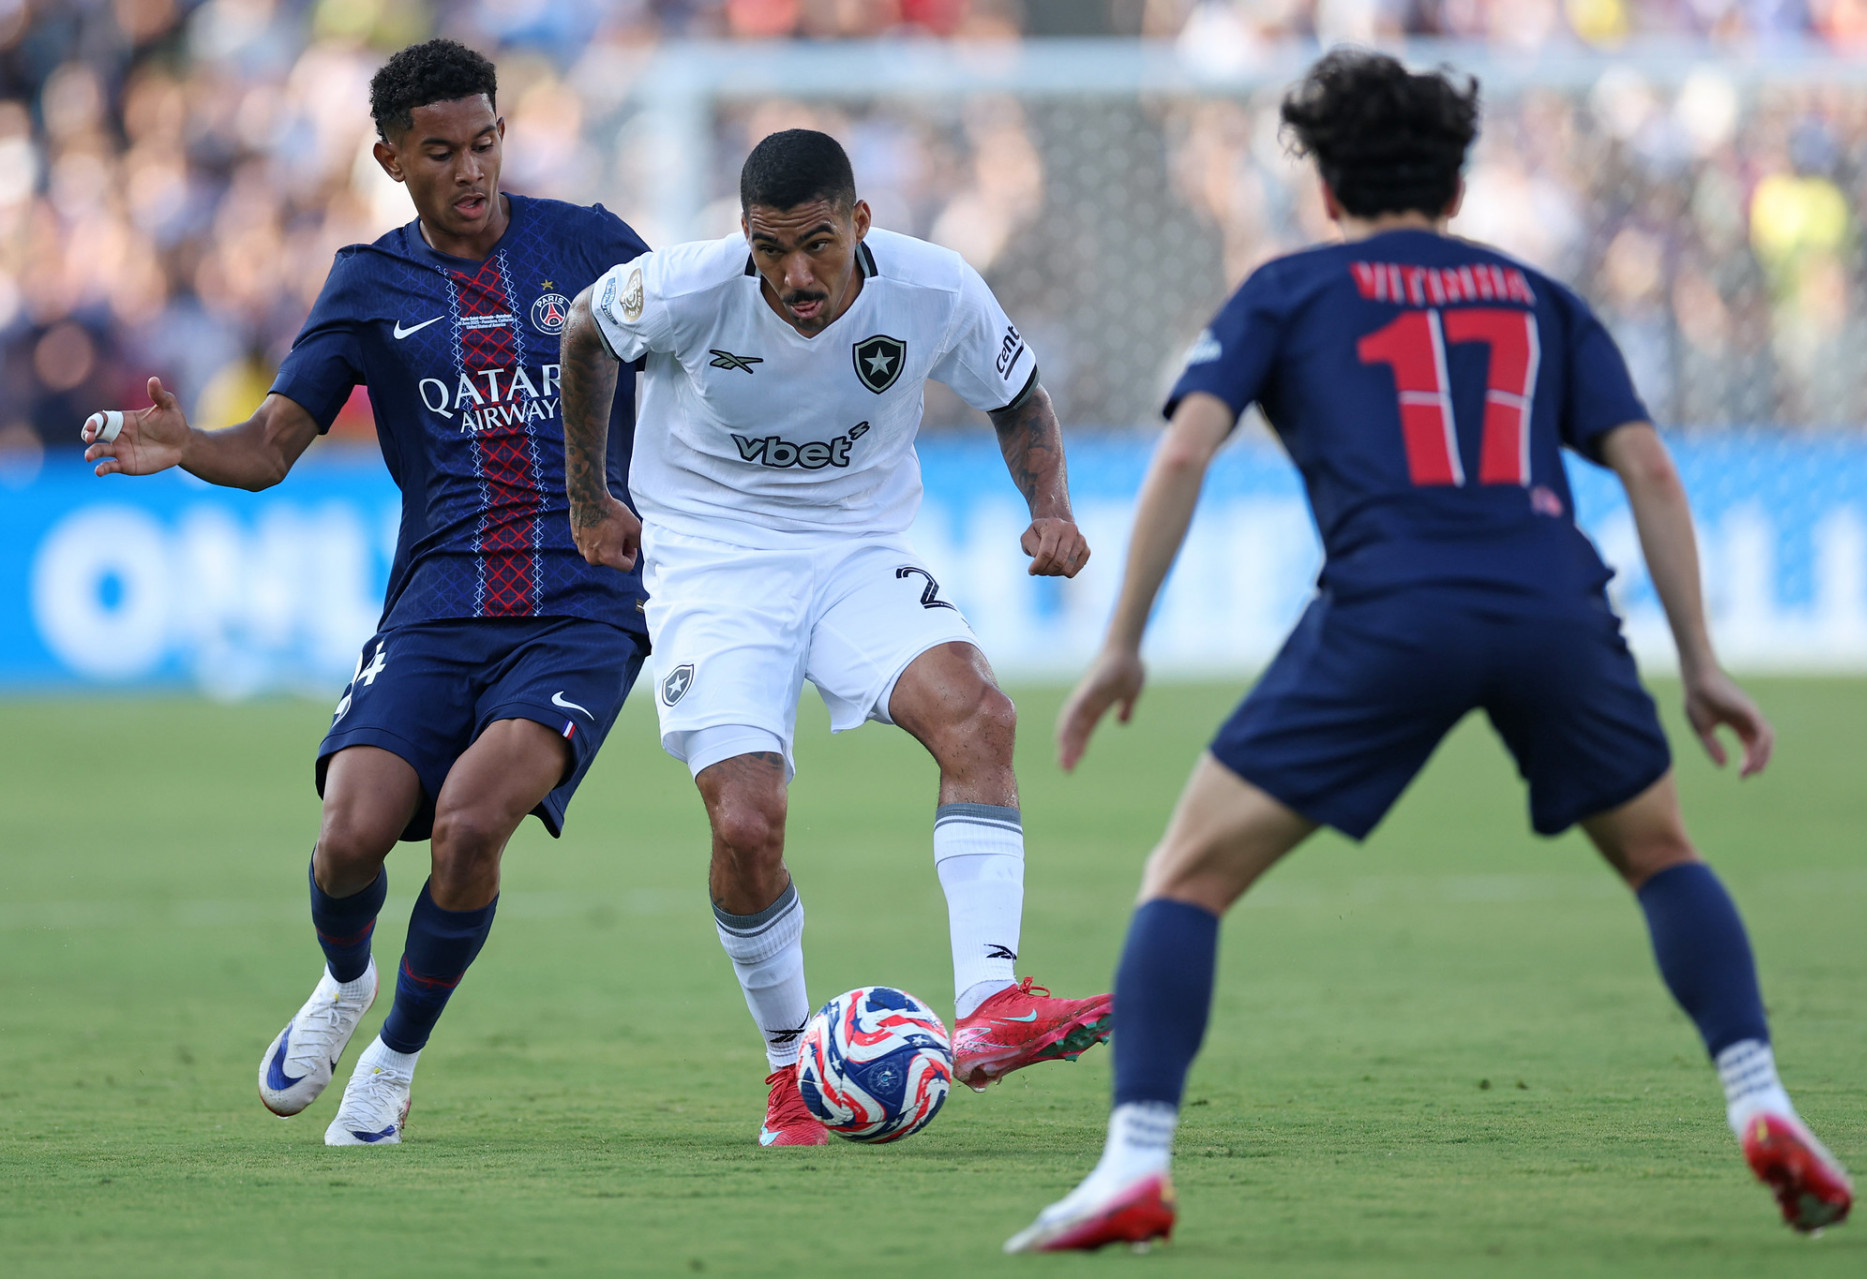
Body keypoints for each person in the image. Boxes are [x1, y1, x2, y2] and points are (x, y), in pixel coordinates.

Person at [1005, 50, 1853, 1251]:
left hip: (1391, 610)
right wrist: (1704, 664)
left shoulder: (1286, 289)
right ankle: (1763, 1098)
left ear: (1327, 189)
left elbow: (1187, 451)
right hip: (1556, 604)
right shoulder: (1540, 298)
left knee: (1186, 877)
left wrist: (1121, 643)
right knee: (1663, 855)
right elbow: (1652, 470)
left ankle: (1134, 1164)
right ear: (1457, 188)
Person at [81, 40, 652, 1147]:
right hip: (436, 605)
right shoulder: (367, 281)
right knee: (348, 837)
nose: (471, 169)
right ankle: (345, 981)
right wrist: (189, 445)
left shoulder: (588, 243)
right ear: (391, 159)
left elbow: (703, 344)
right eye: (441, 152)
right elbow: (270, 447)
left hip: (582, 605)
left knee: (471, 826)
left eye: (485, 142)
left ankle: (392, 1063)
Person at [559, 129, 1112, 1147]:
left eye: (817, 244)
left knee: (979, 713)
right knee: (745, 823)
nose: (796, 275)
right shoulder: (687, 286)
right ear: (744, 235)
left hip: (858, 546)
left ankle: (991, 1005)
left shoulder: (935, 289)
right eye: (770, 249)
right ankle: (788, 1068)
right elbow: (587, 329)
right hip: (716, 561)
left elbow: (1016, 394)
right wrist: (588, 498)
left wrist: (1052, 509)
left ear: (861, 221)